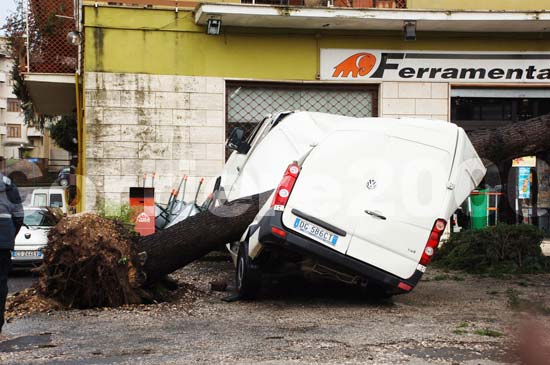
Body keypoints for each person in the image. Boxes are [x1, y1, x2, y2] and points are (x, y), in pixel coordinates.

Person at [0, 172, 24, 340]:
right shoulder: (8, 184)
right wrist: (9, 237)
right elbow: (19, 216)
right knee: (1, 284)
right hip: (3, 242)